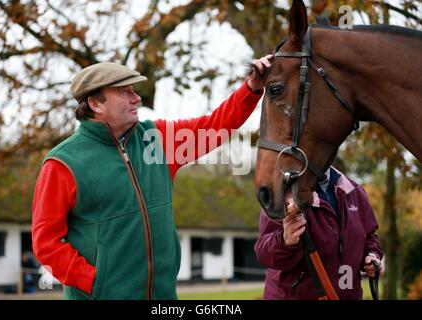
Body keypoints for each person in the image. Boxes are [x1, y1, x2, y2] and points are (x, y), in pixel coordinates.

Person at [32, 56, 272, 300]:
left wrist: (252, 88)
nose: (137, 98)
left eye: (134, 90)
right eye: (125, 92)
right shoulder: (62, 163)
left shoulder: (156, 138)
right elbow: (46, 244)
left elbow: (216, 126)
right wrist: (97, 283)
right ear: (95, 103)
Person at [254, 166, 384, 300]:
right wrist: (285, 240)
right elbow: (264, 253)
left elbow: (369, 237)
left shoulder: (355, 192)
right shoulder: (282, 193)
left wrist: (372, 256)